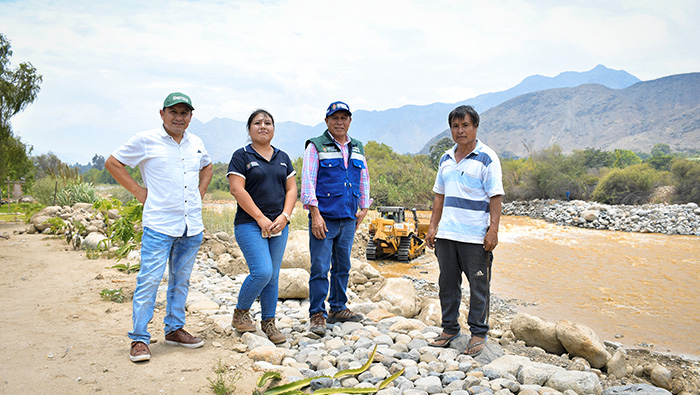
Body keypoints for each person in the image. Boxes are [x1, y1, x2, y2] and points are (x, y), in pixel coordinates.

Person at [105, 92, 213, 362]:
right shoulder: (145, 140)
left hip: (191, 226)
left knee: (181, 280)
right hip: (159, 224)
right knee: (149, 280)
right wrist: (139, 192)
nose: (179, 117)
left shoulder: (196, 142)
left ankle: (174, 329)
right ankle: (139, 339)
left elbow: (207, 166)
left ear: (190, 116)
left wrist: (200, 192)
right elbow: (113, 163)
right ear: (162, 114)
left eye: (184, 113)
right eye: (173, 112)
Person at [425, 105, 504, 357]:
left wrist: (493, 230)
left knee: (479, 285)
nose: (460, 131)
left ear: (475, 127)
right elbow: (439, 196)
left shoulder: (487, 158)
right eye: (455, 126)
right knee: (447, 284)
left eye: (465, 125)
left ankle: (478, 333)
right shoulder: (446, 158)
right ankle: (449, 329)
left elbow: (495, 198)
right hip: (447, 235)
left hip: (475, 237)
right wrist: (432, 227)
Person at [301, 101, 371, 336]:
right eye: (335, 118)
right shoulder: (316, 146)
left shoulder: (358, 146)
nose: (339, 122)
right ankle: (317, 313)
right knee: (320, 266)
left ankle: (338, 307)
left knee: (343, 265)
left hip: (349, 217)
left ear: (350, 121)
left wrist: (364, 207)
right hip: (324, 218)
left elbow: (364, 178)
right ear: (327, 121)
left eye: (344, 118)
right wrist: (315, 214)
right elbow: (308, 181)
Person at [227, 109, 297, 344]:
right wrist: (260, 218)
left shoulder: (283, 157)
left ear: (274, 129)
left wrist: (285, 216)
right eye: (257, 123)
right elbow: (237, 189)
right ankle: (241, 313)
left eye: (268, 123)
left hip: (279, 225)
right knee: (262, 271)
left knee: (273, 276)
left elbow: (291, 189)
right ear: (249, 129)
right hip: (250, 223)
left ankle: (269, 322)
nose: (263, 126)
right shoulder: (242, 156)